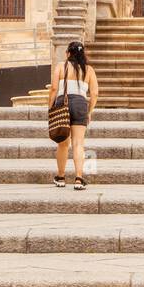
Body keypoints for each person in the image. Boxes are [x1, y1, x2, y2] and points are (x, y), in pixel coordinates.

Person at [49, 40, 98, 189]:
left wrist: (50, 107)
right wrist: (89, 111)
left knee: (63, 143)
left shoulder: (60, 66)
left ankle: (61, 177)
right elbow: (94, 94)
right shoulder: (89, 70)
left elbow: (53, 89)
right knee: (78, 144)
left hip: (62, 103)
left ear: (68, 53)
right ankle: (78, 178)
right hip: (80, 104)